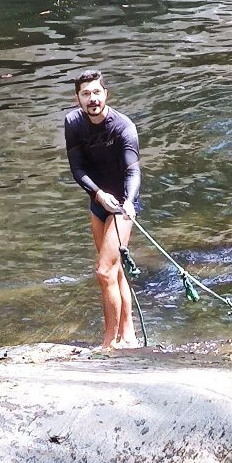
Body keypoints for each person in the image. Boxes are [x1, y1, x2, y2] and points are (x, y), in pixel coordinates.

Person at [64, 69, 142, 349]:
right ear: (77, 99)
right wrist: (98, 194)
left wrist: (128, 201)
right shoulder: (73, 123)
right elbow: (77, 169)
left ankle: (109, 344)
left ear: (106, 94)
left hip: (123, 203)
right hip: (98, 202)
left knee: (103, 270)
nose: (92, 99)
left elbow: (133, 171)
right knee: (114, 270)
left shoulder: (123, 126)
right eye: (86, 94)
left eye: (97, 92)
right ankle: (128, 335)